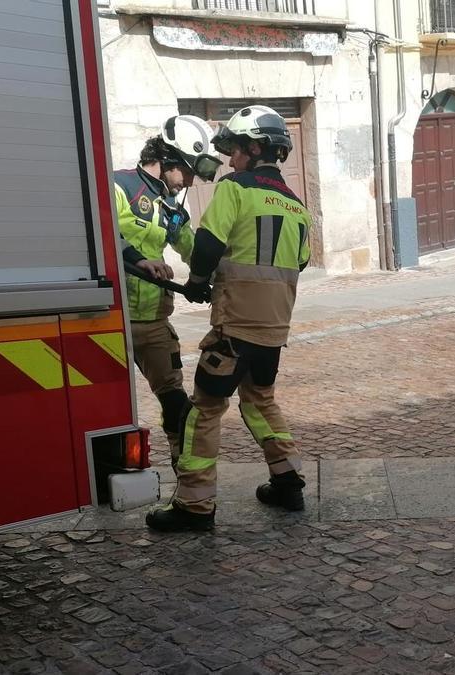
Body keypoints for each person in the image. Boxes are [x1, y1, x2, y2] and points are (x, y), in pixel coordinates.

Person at [146, 106, 312, 533]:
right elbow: (302, 261)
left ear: (254, 149)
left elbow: (207, 244)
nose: (230, 160)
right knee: (260, 401)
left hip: (235, 327)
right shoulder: (297, 207)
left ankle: (194, 505)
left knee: (203, 409)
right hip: (274, 329)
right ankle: (288, 482)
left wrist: (198, 281)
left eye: (235, 150)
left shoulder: (235, 188)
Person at [115, 115, 221, 465]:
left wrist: (222, 276)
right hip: (110, 322)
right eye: (187, 171)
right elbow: (100, 233)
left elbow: (192, 248)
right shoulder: (118, 187)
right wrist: (138, 259)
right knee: (109, 405)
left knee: (175, 400)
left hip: (154, 322)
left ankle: (183, 468)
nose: (190, 181)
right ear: (168, 158)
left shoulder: (172, 205)